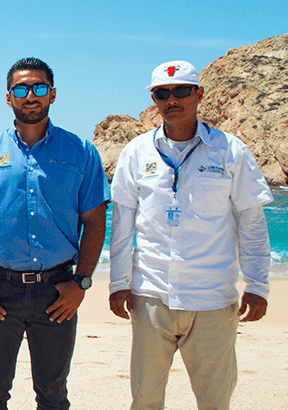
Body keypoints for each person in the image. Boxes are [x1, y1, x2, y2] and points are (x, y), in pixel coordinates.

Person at [108, 61, 273, 410]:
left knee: (215, 401)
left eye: (182, 90)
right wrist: (118, 282)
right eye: (162, 93)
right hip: (150, 296)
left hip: (213, 298)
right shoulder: (136, 152)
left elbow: (252, 222)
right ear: (154, 99)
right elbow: (122, 223)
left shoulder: (231, 150)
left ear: (199, 94)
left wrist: (258, 285)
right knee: (145, 400)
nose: (172, 100)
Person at [0, 57, 110, 410]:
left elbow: (96, 221)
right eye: (21, 89)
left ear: (52, 95)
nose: (30, 95)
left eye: (39, 87)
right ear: (9, 98)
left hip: (57, 292)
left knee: (53, 395)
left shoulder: (80, 151)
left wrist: (81, 283)